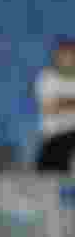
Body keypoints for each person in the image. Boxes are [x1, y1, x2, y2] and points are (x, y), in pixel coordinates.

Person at [35, 39, 75, 173]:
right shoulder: (46, 77)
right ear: (55, 58)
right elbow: (48, 108)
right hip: (54, 137)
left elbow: (55, 105)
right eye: (63, 56)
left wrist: (61, 102)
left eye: (71, 56)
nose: (67, 60)